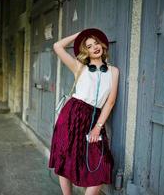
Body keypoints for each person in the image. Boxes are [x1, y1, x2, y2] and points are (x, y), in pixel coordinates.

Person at [48, 28, 119, 195]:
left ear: (102, 45)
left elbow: (110, 102)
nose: (94, 47)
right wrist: (79, 34)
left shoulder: (113, 71)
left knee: (103, 163)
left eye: (96, 43)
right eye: (89, 45)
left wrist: (97, 126)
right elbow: (57, 46)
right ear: (85, 51)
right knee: (65, 158)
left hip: (94, 119)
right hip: (72, 115)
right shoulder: (79, 67)